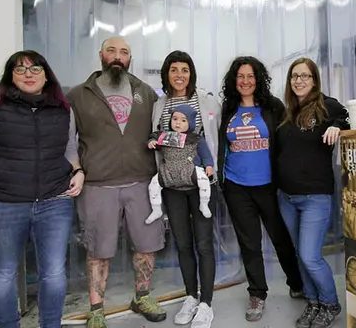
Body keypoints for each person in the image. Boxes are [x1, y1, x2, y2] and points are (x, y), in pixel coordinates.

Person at [0, 50, 83, 328]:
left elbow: (70, 148)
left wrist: (79, 171)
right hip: (3, 203)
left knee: (54, 274)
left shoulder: (63, 109)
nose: (28, 74)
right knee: (3, 274)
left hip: (54, 200)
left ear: (46, 74)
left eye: (35, 68)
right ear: (10, 75)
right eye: (20, 69)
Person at [67, 36, 166, 328]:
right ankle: (96, 310)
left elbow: (160, 133)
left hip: (142, 181)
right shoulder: (78, 96)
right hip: (97, 184)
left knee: (146, 245)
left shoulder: (146, 92)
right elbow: (68, 142)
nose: (118, 56)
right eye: (112, 50)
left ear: (130, 59)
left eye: (124, 52)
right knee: (98, 249)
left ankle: (142, 296)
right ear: (101, 56)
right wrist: (76, 169)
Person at [217, 56, 304, 322]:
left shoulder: (272, 106)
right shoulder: (228, 109)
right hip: (236, 187)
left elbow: (293, 130)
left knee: (281, 238)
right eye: (240, 76)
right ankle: (257, 293)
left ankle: (297, 283)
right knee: (249, 243)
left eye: (250, 76)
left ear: (258, 79)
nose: (245, 81)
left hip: (268, 186)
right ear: (234, 80)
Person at [147, 50, 221, 328]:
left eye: (185, 69)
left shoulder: (205, 100)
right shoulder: (159, 104)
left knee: (203, 243)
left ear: (192, 73)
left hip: (200, 182)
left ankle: (206, 303)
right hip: (172, 185)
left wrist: (211, 166)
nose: (180, 75)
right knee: (183, 243)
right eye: (174, 69)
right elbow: (155, 138)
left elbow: (212, 137)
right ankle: (191, 296)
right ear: (166, 74)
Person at [276, 58, 349, 328]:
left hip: (314, 197)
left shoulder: (326, 106)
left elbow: (346, 116)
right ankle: (313, 301)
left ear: (315, 80)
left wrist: (336, 126)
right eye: (295, 76)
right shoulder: (288, 112)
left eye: (305, 76)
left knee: (310, 255)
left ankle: (330, 302)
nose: (299, 81)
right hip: (286, 197)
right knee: (299, 253)